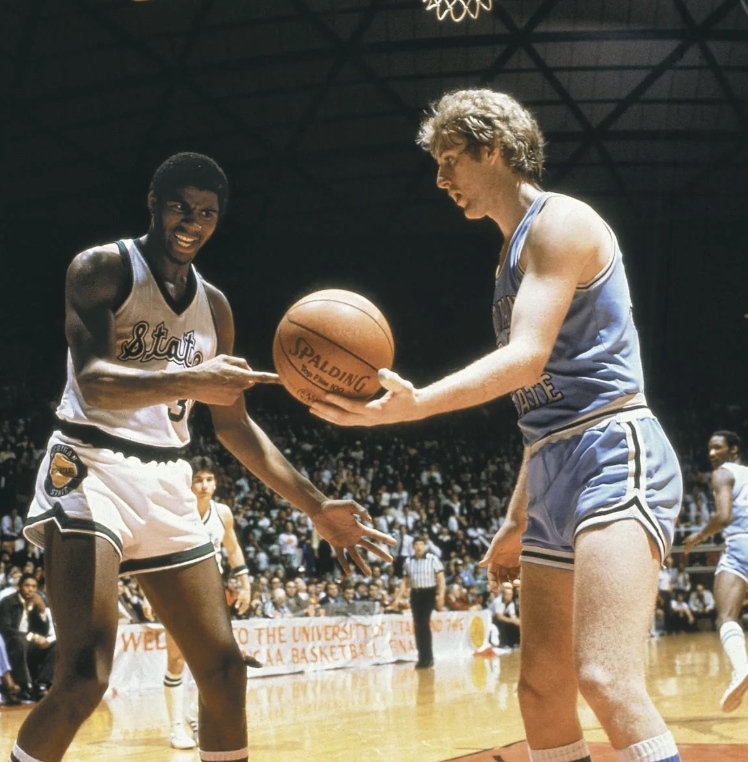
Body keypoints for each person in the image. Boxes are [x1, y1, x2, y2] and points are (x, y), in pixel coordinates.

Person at [312, 89, 683, 762]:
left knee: (605, 677)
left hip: (613, 452)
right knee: (540, 691)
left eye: (452, 159)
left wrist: (417, 403)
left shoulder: (560, 223)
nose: (440, 178)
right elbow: (535, 405)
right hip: (551, 466)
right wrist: (516, 519)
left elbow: (526, 358)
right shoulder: (509, 256)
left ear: (497, 149)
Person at [16, 152, 395, 762]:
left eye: (207, 213)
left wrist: (317, 507)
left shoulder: (214, 308)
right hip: (91, 469)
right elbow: (91, 382)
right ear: (153, 203)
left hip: (168, 476)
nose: (192, 221)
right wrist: (190, 380)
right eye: (180, 207)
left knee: (223, 671)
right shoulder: (102, 269)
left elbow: (234, 426)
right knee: (83, 677)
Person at [162, 455, 253, 750]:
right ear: (188, 483)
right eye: (198, 479)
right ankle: (176, 726)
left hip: (211, 594)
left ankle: (198, 719)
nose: (204, 485)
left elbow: (233, 548)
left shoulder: (223, 512)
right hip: (176, 589)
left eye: (209, 479)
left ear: (216, 482)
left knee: (210, 660)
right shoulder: (175, 512)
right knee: (176, 659)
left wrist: (245, 584)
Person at [683, 430, 748, 712]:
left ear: (733, 450)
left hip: (740, 546)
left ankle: (741, 669)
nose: (711, 454)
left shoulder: (722, 474)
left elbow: (724, 517)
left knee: (726, 617)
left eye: (718, 448)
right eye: (709, 448)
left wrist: (697, 537)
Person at [0, 573, 56, 702]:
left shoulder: (36, 601)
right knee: (21, 642)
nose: (30, 589)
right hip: (11, 643)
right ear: (19, 586)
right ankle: (26, 686)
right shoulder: (7, 602)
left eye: (33, 586)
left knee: (54, 644)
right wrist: (31, 636)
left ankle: (42, 683)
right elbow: (5, 629)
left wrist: (42, 610)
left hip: (29, 643)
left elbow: (43, 630)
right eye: (27, 585)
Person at [392, 536, 445, 669]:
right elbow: (404, 582)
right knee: (417, 625)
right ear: (413, 547)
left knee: (424, 623)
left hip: (429, 593)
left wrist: (441, 596)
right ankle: (422, 657)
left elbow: (441, 579)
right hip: (415, 594)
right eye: (416, 544)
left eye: (421, 544)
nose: (419, 547)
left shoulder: (433, 559)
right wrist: (397, 599)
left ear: (425, 546)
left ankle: (429, 657)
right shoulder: (408, 561)